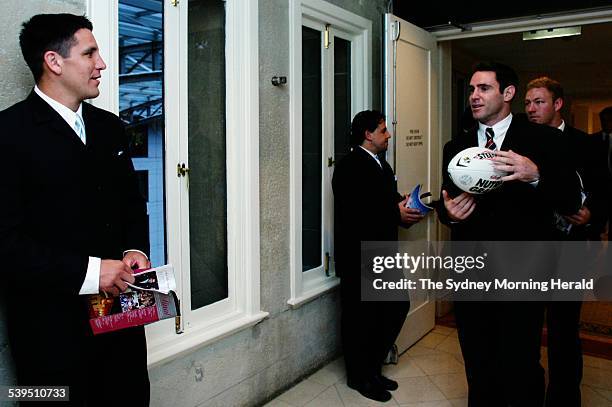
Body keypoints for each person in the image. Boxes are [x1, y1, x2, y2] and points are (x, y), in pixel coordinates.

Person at [0, 14, 151, 405]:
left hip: (122, 320)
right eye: (90, 52)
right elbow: (5, 243)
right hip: (50, 337)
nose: (101, 63)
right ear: (54, 61)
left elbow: (131, 204)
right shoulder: (8, 134)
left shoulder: (111, 127)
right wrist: (90, 272)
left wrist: (135, 249)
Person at [438, 62, 581, 406]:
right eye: (471, 89)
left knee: (519, 362)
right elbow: (446, 199)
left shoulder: (543, 139)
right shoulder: (455, 146)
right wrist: (450, 216)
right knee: (477, 359)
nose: (474, 96)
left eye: (484, 88)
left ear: (508, 93)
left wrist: (535, 175)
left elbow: (572, 200)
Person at [525, 76, 608, 407]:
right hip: (528, 252)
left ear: (558, 104)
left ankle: (563, 397)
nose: (531, 109)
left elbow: (604, 189)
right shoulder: (518, 144)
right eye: (527, 103)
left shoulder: (587, 144)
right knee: (527, 329)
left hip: (571, 250)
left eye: (539, 102)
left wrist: (593, 217)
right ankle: (528, 393)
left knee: (563, 329)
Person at [332, 110, 423, 402]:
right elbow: (356, 212)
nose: (389, 135)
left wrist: (405, 207)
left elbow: (385, 202)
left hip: (383, 254)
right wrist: (392, 212)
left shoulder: (382, 166)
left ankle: (372, 368)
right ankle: (359, 378)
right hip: (359, 256)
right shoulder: (348, 166)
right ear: (368, 134)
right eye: (383, 130)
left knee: (395, 307)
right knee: (361, 319)